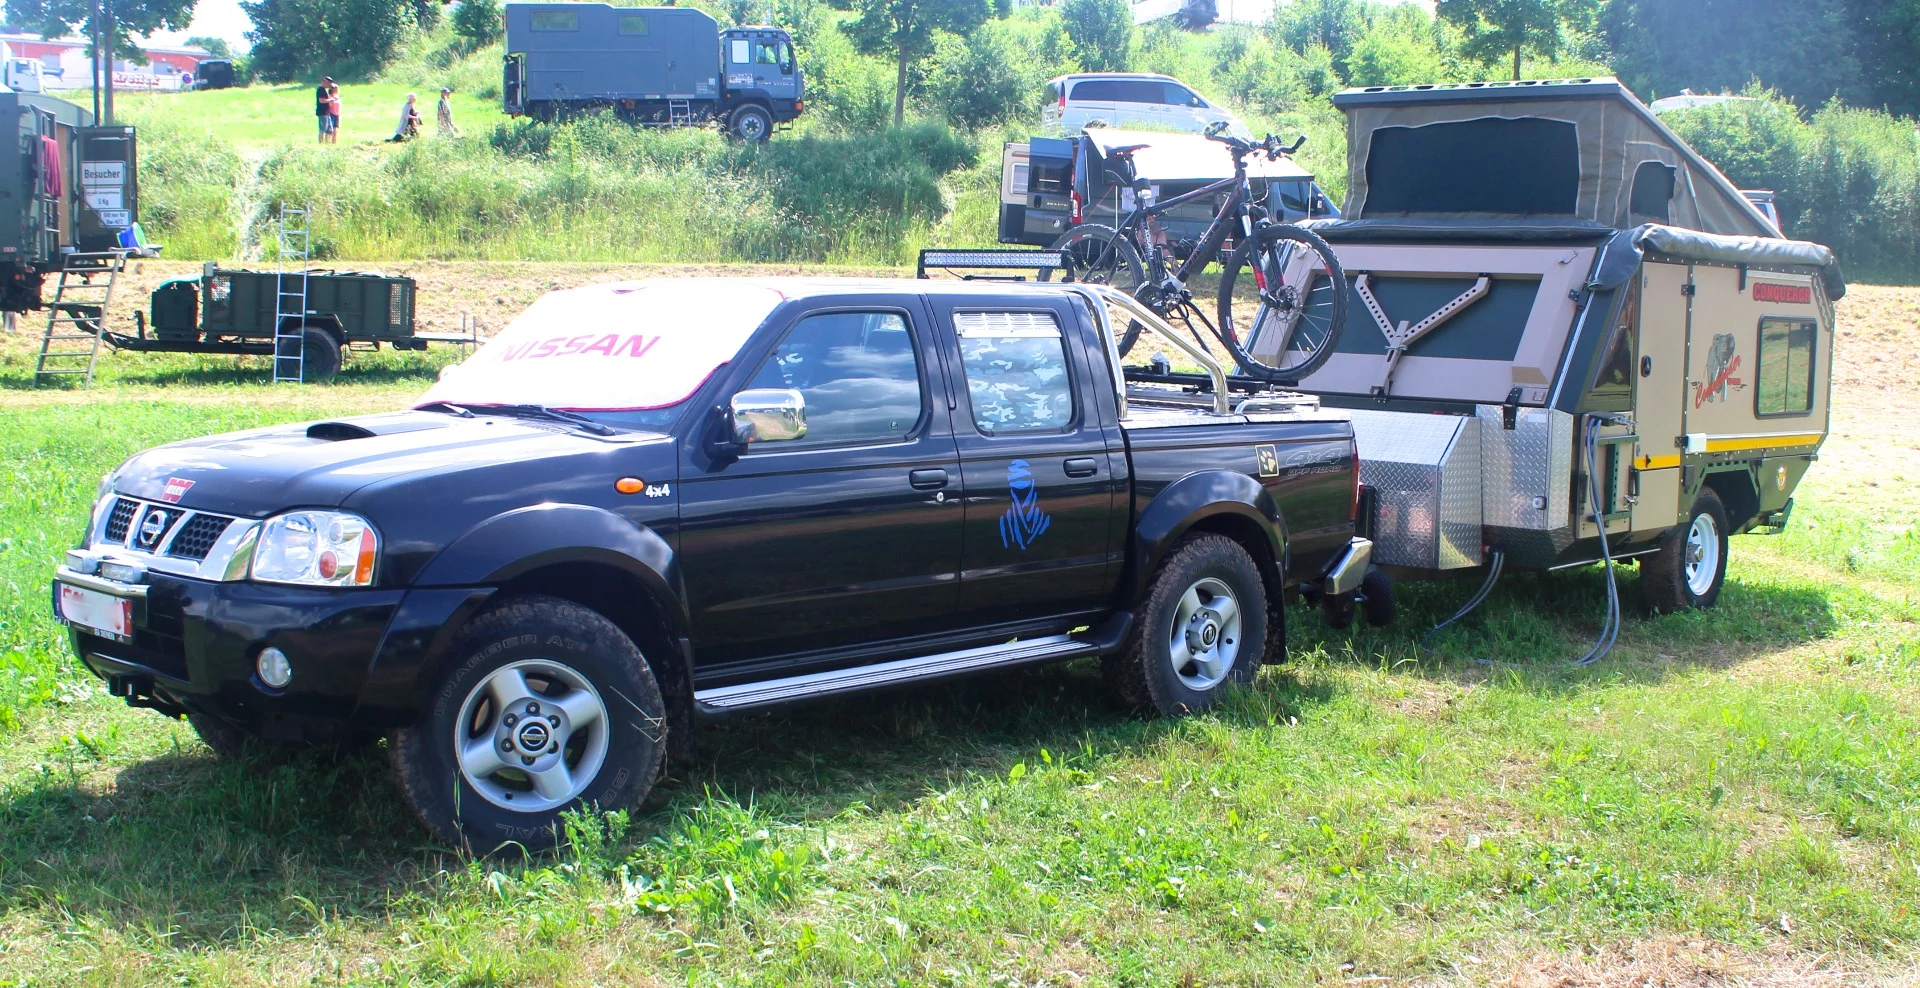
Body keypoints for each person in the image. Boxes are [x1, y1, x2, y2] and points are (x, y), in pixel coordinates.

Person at [315, 76, 334, 143]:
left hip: (326, 112)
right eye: (329, 83)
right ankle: (321, 143)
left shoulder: (323, 90)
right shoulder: (320, 89)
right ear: (325, 82)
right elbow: (321, 100)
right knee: (323, 129)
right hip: (322, 112)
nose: (329, 85)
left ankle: (327, 143)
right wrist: (330, 99)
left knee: (330, 130)